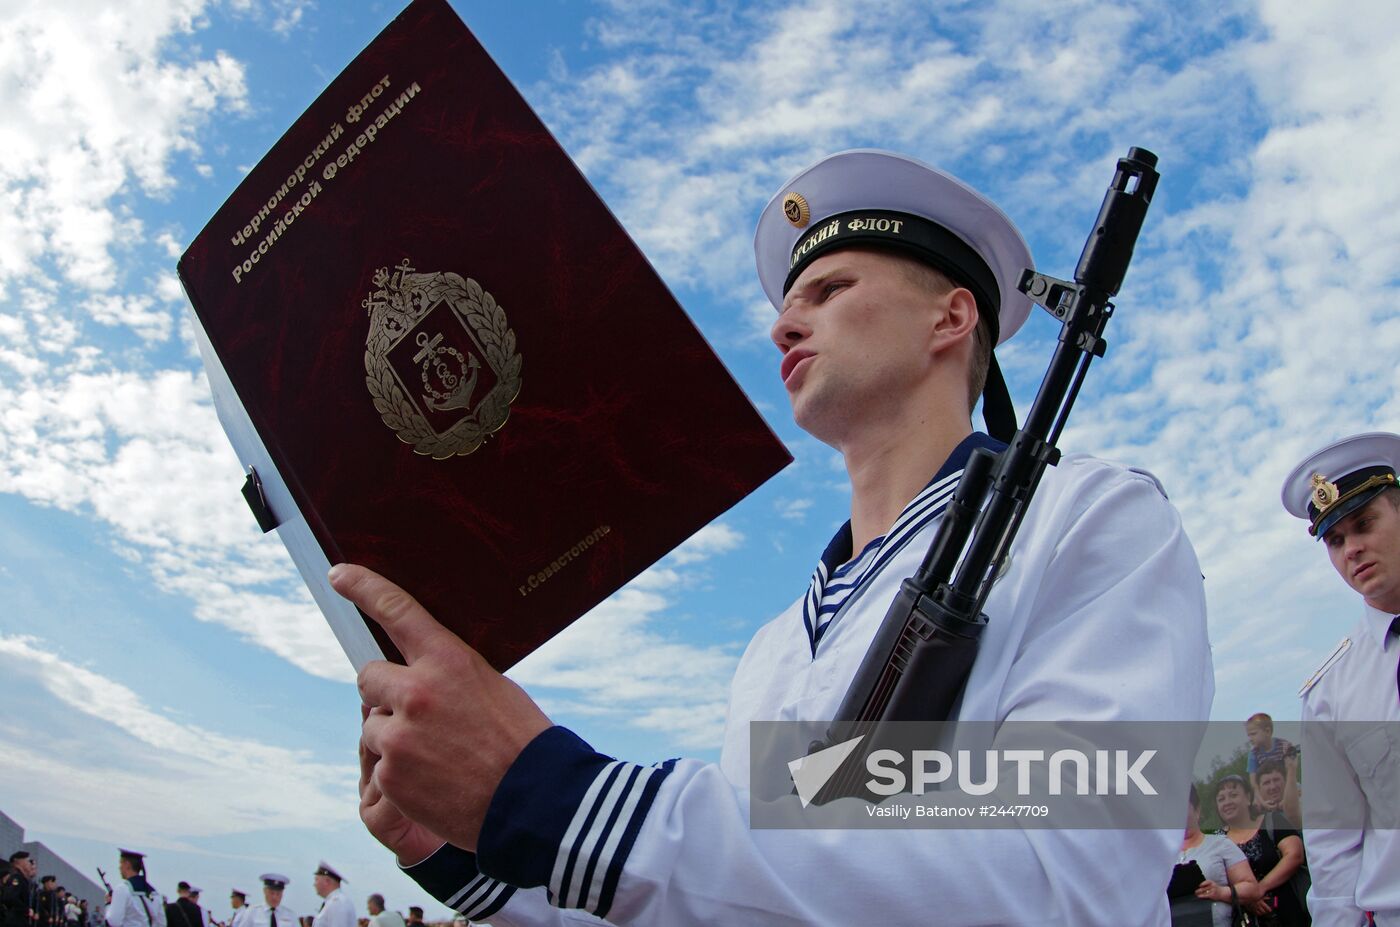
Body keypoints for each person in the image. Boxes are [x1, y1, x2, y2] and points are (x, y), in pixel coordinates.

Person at [335, 148, 1214, 925]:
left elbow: (1070, 884)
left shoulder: (1090, 519)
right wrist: (465, 842)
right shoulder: (774, 648)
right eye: (790, 302)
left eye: (830, 291)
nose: (783, 324)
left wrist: (557, 798)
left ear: (951, 319)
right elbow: (727, 901)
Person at [1282, 433, 1400, 926]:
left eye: (1364, 524)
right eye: (1335, 540)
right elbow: (1333, 843)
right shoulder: (1332, 690)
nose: (1352, 549)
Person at [1213, 775, 1309, 925]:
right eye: (1221, 799)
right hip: (1247, 918)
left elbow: (1295, 855)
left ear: (1249, 798)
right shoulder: (1215, 841)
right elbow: (1215, 880)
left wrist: (1258, 889)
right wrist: (1245, 898)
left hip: (1289, 911)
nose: (1227, 802)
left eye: (1233, 795)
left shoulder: (1272, 821)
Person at [1176, 785, 1259, 927]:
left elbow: (1253, 889)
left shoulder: (1220, 844)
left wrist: (1221, 892)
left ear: (1197, 810)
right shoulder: (1160, 856)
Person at [104, 850, 165, 927]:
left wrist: (109, 904)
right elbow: (162, 923)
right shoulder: (155, 893)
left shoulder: (122, 889)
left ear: (127, 864)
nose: (119, 867)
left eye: (121, 863)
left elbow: (113, 922)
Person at [1, 852, 36, 927]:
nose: (30, 864)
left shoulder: (22, 879)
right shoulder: (17, 878)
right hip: (15, 921)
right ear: (18, 862)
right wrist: (26, 910)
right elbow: (9, 897)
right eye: (27, 861)